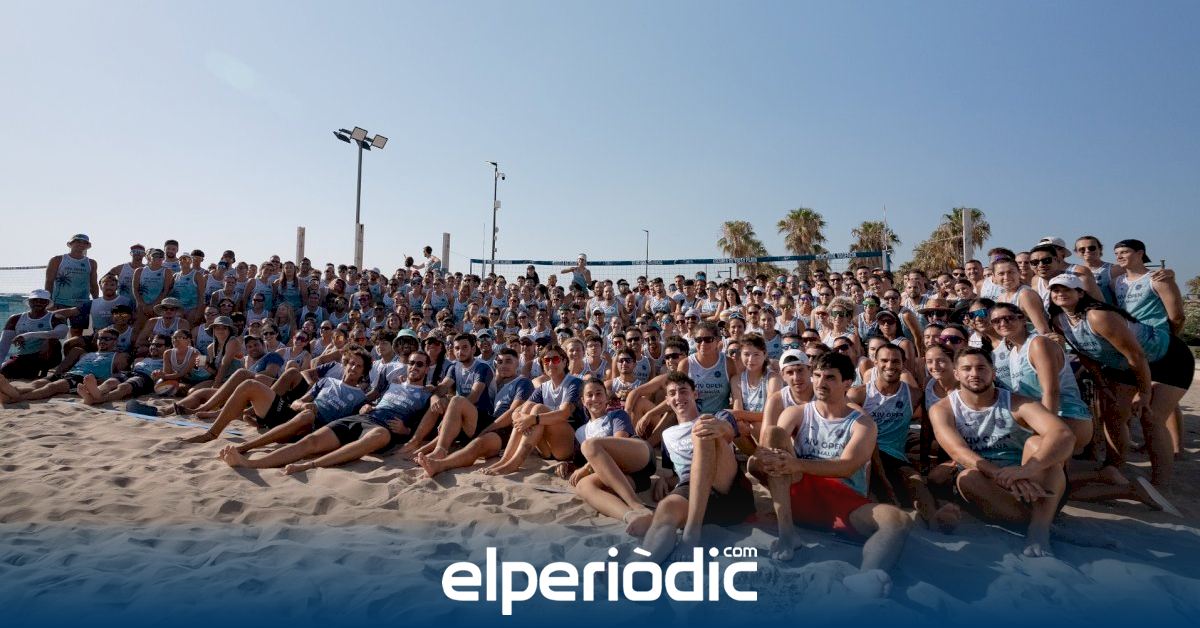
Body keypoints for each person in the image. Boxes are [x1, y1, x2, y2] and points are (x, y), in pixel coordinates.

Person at [750, 352, 912, 596]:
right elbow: (770, 452)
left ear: (847, 383)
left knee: (897, 521)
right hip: (800, 493)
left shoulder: (863, 424)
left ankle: (867, 575)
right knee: (773, 435)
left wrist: (797, 464)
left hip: (844, 499)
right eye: (816, 375)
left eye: (830, 378)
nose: (820, 382)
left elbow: (848, 466)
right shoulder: (797, 413)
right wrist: (765, 457)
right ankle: (787, 535)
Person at [1049, 274, 1192, 489]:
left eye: (1066, 289)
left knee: (1151, 417)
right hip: (1123, 365)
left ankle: (1159, 483)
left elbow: (1137, 356)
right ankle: (1113, 467)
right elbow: (1085, 354)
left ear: (1080, 293)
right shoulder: (1059, 321)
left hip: (1166, 359)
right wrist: (1102, 384)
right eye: (1055, 290)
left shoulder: (1098, 316)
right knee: (1113, 415)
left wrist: (1144, 392)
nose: (1060, 293)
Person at [929, 348, 1073, 558]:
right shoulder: (943, 409)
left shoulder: (1018, 402)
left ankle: (1039, 528)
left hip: (1035, 487)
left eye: (981, 368)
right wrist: (1002, 475)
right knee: (967, 477)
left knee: (1038, 444)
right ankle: (1042, 524)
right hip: (991, 486)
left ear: (993, 372)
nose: (974, 374)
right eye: (967, 369)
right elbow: (957, 451)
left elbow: (1064, 435)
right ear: (956, 374)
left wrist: (1026, 470)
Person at [219, 351, 433, 474]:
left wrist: (407, 432)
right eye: (411, 363)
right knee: (310, 442)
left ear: (427, 369)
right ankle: (249, 462)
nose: (414, 366)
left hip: (382, 428)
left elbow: (430, 420)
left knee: (380, 435)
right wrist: (367, 406)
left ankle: (309, 465)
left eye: (420, 364)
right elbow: (374, 398)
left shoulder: (428, 394)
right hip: (362, 417)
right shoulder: (392, 385)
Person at [632, 371, 754, 563]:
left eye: (683, 391)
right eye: (672, 393)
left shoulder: (717, 416)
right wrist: (665, 479)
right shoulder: (667, 435)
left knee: (703, 427)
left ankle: (692, 532)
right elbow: (677, 472)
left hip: (727, 487)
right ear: (667, 400)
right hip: (695, 495)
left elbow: (728, 430)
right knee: (667, 507)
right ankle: (642, 566)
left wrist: (720, 427)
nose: (678, 397)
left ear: (695, 394)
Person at [184, 345, 371, 445]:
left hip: (309, 429)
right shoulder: (327, 381)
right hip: (291, 415)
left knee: (306, 414)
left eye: (358, 366)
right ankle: (211, 433)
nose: (353, 368)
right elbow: (298, 402)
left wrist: (365, 409)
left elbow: (348, 425)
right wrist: (302, 405)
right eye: (351, 363)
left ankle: (250, 430)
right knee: (249, 384)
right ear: (344, 364)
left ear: (363, 372)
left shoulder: (360, 397)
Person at [416, 348, 535, 477]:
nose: (504, 365)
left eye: (508, 361)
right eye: (500, 362)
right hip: (489, 421)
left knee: (477, 445)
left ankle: (439, 465)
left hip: (505, 429)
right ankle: (440, 450)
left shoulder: (523, 382)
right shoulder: (495, 383)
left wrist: (487, 429)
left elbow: (513, 413)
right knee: (457, 400)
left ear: (517, 363)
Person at [568, 377, 658, 527]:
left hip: (639, 457)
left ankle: (636, 505)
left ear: (606, 397)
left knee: (590, 445)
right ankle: (629, 516)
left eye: (599, 394)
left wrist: (585, 468)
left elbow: (620, 440)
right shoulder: (580, 432)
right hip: (629, 478)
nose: (594, 398)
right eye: (589, 395)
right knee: (583, 486)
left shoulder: (617, 415)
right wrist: (567, 465)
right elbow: (580, 463)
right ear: (583, 401)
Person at [848, 343, 924, 507]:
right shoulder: (859, 394)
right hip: (865, 457)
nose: (890, 365)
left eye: (895, 361)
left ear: (903, 364)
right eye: (884, 360)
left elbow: (926, 426)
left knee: (917, 484)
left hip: (896, 458)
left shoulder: (914, 395)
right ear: (875, 362)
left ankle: (934, 518)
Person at [409, 333, 495, 459]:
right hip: (460, 416)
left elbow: (474, 397)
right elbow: (442, 388)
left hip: (481, 419)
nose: (460, 352)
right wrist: (434, 397)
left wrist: (448, 417)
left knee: (456, 400)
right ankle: (415, 441)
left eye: (465, 347)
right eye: (457, 348)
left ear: (473, 349)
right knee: (441, 401)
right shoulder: (454, 367)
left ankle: (440, 450)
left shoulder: (482, 367)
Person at [0, 327, 128, 403]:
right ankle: (12, 391)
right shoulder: (86, 353)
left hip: (83, 379)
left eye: (107, 338)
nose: (102, 341)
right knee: (37, 383)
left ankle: (16, 398)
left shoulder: (119, 356)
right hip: (69, 374)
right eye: (100, 338)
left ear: (115, 341)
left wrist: (99, 383)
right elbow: (65, 365)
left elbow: (118, 377)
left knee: (53, 387)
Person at [77, 333, 168, 405]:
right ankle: (94, 393)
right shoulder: (141, 359)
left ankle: (95, 399)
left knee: (124, 387)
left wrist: (160, 376)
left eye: (158, 345)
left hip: (145, 377)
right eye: (152, 344)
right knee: (111, 382)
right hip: (131, 372)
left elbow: (167, 376)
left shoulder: (166, 362)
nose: (153, 347)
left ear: (168, 347)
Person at [0, 290, 69, 379]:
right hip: (25, 355)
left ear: (47, 303)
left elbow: (61, 333)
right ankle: (30, 371)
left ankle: (42, 370)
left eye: (42, 300)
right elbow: (3, 345)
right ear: (29, 302)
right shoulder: (15, 319)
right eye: (35, 300)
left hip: (48, 355)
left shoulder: (56, 318)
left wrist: (27, 335)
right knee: (5, 370)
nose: (38, 303)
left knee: (52, 339)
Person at [45, 234, 99, 338]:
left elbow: (93, 284)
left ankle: (73, 349)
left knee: (77, 334)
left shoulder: (91, 263)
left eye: (84, 242)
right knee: (54, 333)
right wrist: (49, 302)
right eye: (78, 241)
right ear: (70, 244)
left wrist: (97, 302)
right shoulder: (57, 259)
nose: (81, 244)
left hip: (81, 304)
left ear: (87, 246)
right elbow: (49, 281)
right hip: (59, 303)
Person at [132, 249, 174, 325]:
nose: (158, 258)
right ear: (149, 257)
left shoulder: (167, 271)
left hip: (158, 306)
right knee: (140, 327)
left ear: (163, 258)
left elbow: (165, 291)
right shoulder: (139, 271)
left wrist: (153, 305)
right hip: (142, 306)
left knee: (156, 328)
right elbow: (135, 290)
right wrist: (143, 305)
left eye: (160, 256)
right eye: (155, 255)